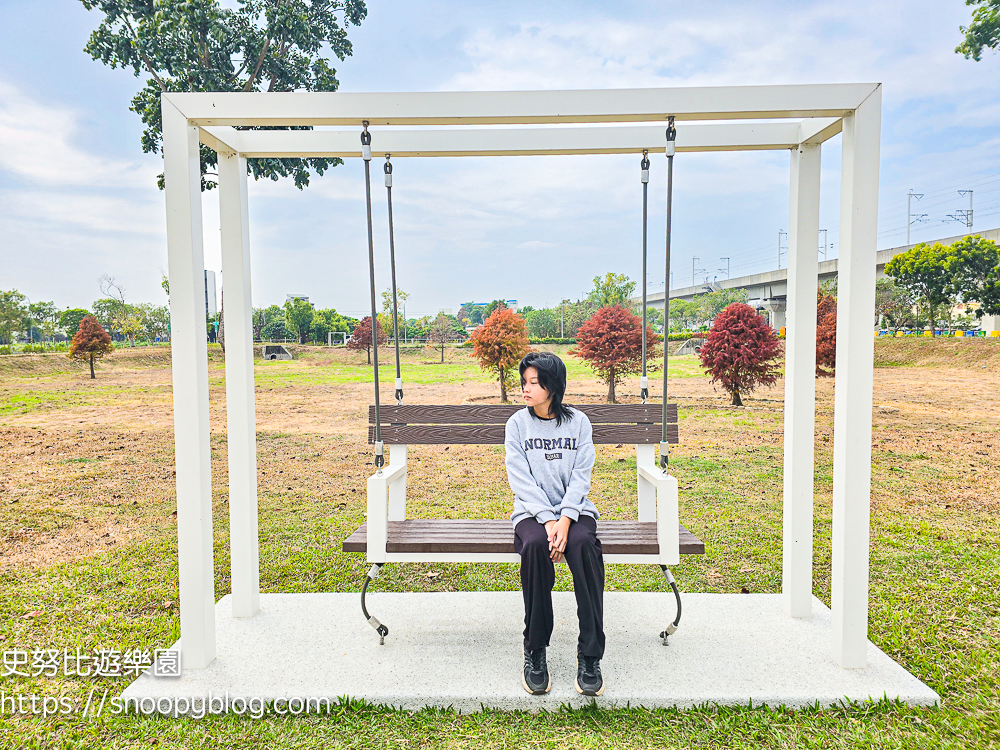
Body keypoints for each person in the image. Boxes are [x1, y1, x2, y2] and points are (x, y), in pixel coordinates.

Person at [504, 351, 605, 697]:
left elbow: (581, 476)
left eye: (534, 382)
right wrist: (548, 521)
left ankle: (590, 654)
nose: (526, 389)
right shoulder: (517, 423)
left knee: (583, 546)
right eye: (524, 382)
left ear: (553, 385)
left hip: (575, 512)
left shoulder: (579, 422)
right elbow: (520, 479)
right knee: (533, 546)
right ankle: (535, 649)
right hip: (532, 515)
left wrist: (565, 519)